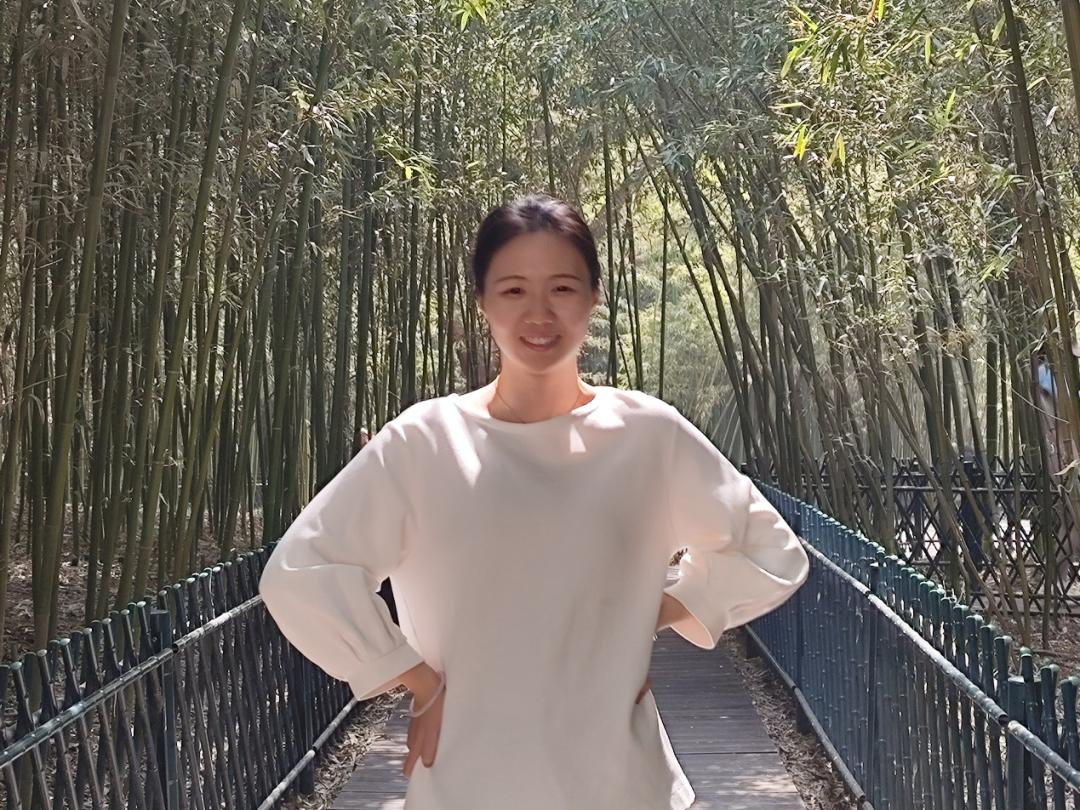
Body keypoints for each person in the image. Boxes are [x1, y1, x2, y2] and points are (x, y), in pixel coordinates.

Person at [258, 193, 810, 810]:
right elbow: (300, 571)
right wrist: (414, 678)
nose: (539, 313)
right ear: (482, 301)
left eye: (563, 289)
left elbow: (771, 552)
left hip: (617, 781)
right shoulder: (425, 442)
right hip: (468, 782)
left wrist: (647, 613)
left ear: (594, 296)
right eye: (514, 290)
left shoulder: (648, 435)